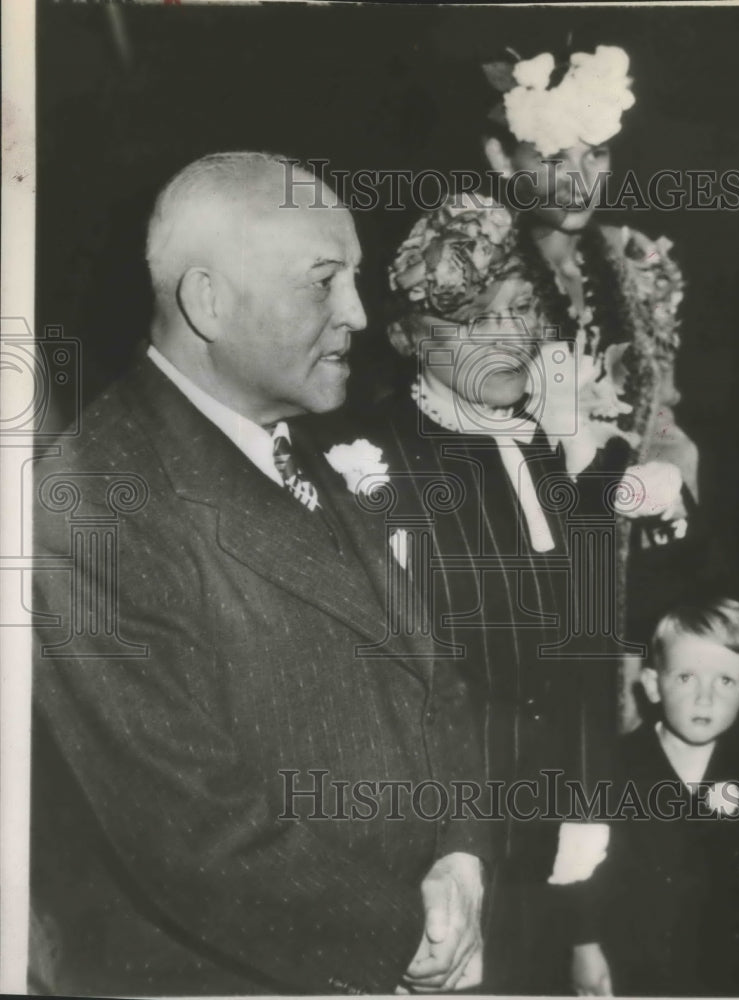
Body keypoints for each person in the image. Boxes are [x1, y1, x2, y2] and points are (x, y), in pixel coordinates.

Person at [30, 152, 488, 996]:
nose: (357, 311)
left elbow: (433, 682)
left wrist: (459, 853)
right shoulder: (86, 500)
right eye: (324, 282)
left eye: (353, 277)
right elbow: (190, 828)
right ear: (208, 301)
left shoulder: (290, 439)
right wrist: (407, 936)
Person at [309, 194, 632, 993]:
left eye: (520, 309)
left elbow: (589, 641)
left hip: (550, 826)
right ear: (410, 338)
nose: (507, 339)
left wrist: (587, 804)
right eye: (473, 321)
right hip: (429, 843)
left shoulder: (560, 448)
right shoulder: (367, 465)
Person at [479, 45, 725, 693]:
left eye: (597, 154)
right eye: (555, 158)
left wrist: (667, 489)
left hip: (634, 572)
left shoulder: (633, 261)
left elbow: (661, 419)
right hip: (521, 571)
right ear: (502, 159)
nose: (581, 179)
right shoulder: (472, 273)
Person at [568, 598, 739, 997]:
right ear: (651, 684)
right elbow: (581, 870)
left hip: (736, 975)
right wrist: (585, 945)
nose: (705, 698)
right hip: (635, 969)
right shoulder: (614, 766)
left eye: (725, 681)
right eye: (686, 678)